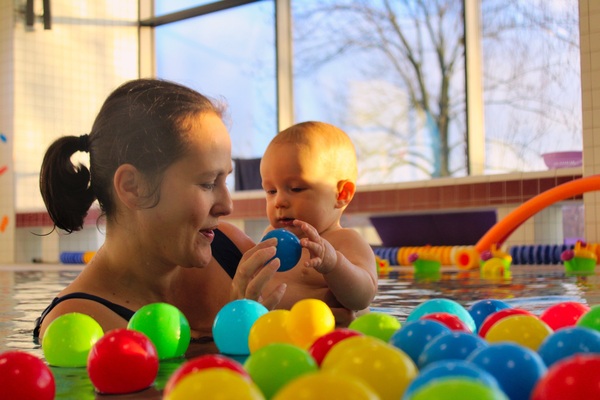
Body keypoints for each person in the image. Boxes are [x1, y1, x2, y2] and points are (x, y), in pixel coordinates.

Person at [34, 78, 286, 346]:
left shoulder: (231, 251)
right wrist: (236, 336)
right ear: (133, 187)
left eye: (226, 180)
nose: (227, 205)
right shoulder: (80, 325)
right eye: (208, 183)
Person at [259, 121, 378, 320]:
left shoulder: (346, 241)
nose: (278, 201)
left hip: (330, 335)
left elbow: (363, 298)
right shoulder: (270, 237)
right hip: (279, 331)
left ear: (341, 194)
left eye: (296, 188)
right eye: (271, 191)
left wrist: (334, 264)